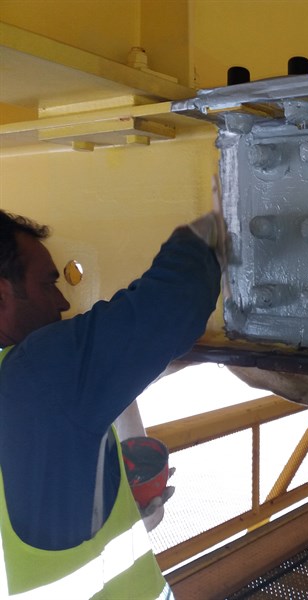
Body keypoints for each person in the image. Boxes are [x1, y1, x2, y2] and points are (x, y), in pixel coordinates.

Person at [0, 209, 221, 598]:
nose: (63, 302)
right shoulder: (34, 373)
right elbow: (171, 306)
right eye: (48, 284)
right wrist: (205, 231)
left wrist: (103, 505)